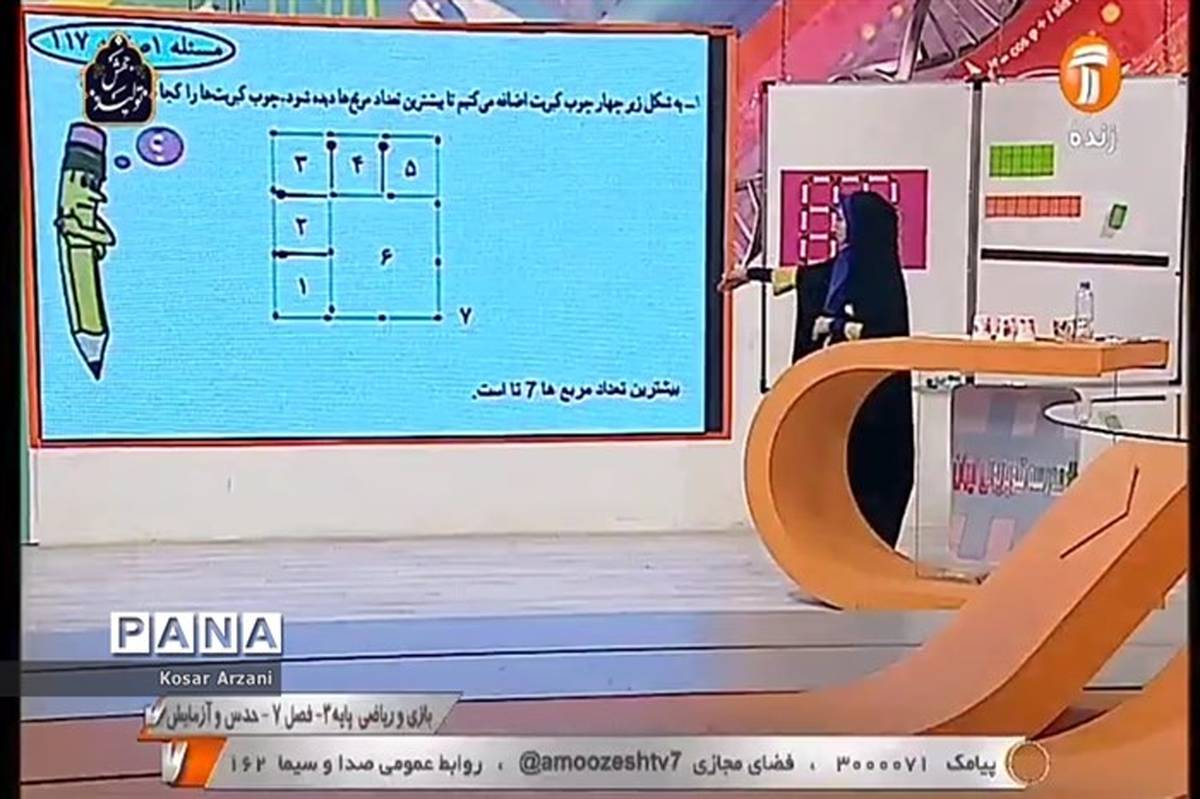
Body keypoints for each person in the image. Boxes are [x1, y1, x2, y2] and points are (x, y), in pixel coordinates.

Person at [719, 191, 914, 549]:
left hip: (875, 405)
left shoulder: (880, 277)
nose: (835, 228)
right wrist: (750, 274)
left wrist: (834, 326)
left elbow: (882, 332)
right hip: (842, 402)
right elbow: (803, 278)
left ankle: (868, 549)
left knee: (871, 475)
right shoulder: (843, 268)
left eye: (841, 220)